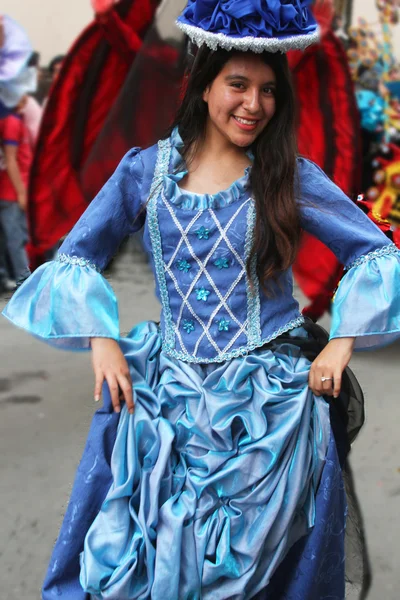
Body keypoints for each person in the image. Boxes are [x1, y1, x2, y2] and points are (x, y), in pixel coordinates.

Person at [3, 1, 400, 598]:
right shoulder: (145, 173)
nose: (253, 104)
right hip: (165, 402)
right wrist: (103, 340)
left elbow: (375, 254)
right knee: (154, 560)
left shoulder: (287, 175)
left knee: (257, 575)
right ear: (204, 83)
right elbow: (77, 255)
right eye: (237, 84)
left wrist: (340, 345)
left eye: (268, 90)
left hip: (267, 408)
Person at [0, 94, 31, 286]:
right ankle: (24, 279)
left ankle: (6, 275)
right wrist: (21, 192)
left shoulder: (14, 119)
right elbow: (11, 160)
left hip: (11, 188)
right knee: (16, 237)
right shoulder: (11, 122)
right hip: (11, 191)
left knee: (8, 236)